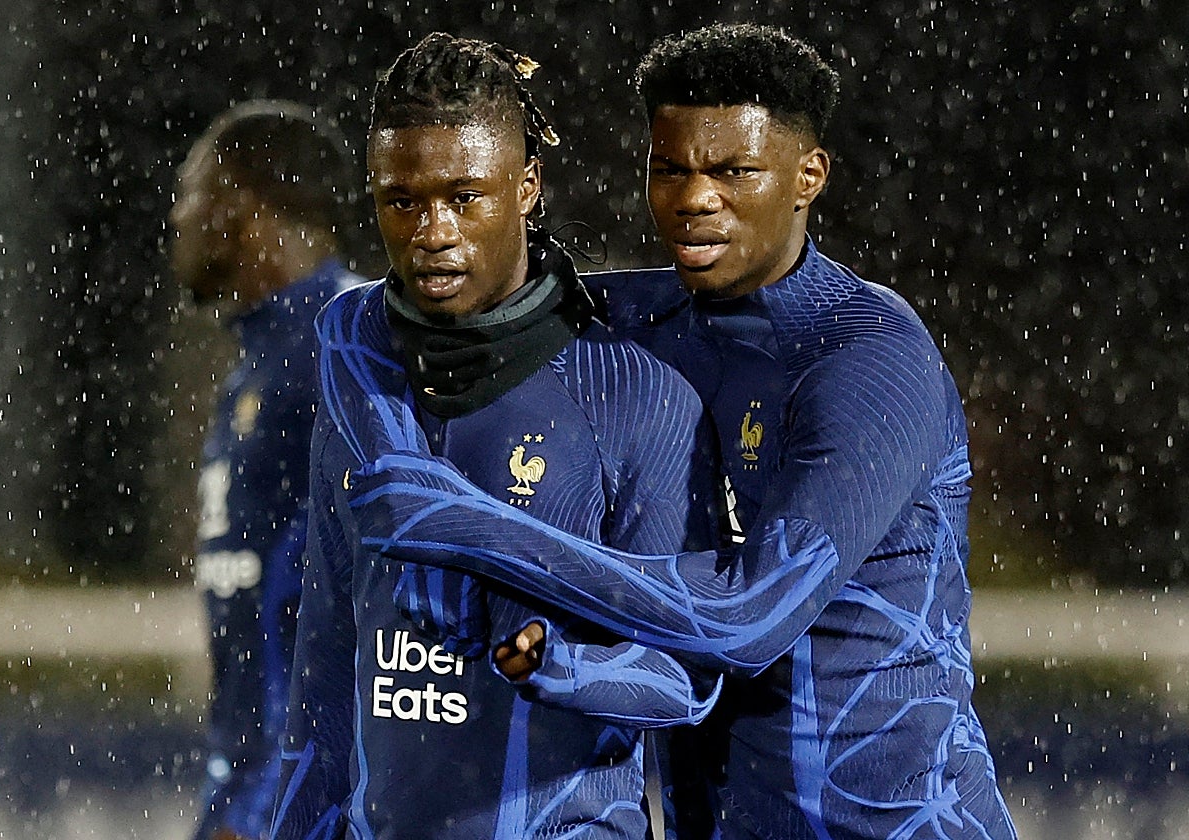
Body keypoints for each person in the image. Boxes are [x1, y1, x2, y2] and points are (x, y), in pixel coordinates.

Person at [346, 24, 1019, 840]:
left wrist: (469, 527)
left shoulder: (868, 358)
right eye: (670, 169)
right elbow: (416, 307)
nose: (694, 197)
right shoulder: (638, 322)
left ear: (809, 176)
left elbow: (750, 618)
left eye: (733, 171)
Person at [271, 33, 720, 840]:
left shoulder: (635, 395)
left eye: (464, 197)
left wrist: (561, 665)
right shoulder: (353, 362)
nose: (431, 231)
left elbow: (690, 675)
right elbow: (330, 656)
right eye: (400, 200)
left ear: (527, 188)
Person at [169, 100, 362, 840]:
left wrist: (275, 801)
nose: (178, 217)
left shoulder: (349, 345)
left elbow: (349, 603)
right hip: (255, 788)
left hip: (299, 799)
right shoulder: (268, 359)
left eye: (192, 192)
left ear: (243, 208)